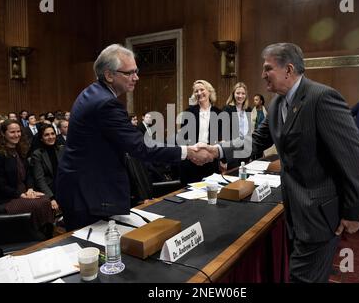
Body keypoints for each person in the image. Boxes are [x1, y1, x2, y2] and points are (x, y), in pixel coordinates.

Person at [206, 43, 359, 282]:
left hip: (320, 216)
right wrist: (217, 149)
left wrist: (355, 212)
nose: (262, 75)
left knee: (302, 279)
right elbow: (255, 141)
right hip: (294, 212)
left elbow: (354, 157)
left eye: (267, 68)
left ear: (288, 69)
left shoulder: (321, 98)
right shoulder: (275, 105)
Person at [56, 44, 211, 231]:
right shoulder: (105, 103)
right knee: (95, 251)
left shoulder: (95, 92)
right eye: (129, 73)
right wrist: (188, 152)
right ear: (109, 75)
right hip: (87, 193)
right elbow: (141, 146)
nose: (136, 77)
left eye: (136, 71)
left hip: (83, 187)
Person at [0, 119, 55, 237]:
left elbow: (28, 173)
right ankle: (34, 234)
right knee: (39, 203)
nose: (17, 135)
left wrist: (29, 189)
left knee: (45, 200)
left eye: (18, 131)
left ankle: (44, 234)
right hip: (6, 197)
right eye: (12, 132)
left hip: (24, 191)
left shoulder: (20, 150)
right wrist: (20, 194)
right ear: (3, 134)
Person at [178, 80, 222, 185]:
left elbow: (221, 138)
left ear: (209, 92)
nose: (199, 93)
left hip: (210, 160)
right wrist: (194, 154)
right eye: (196, 91)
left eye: (202, 89)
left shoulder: (219, 113)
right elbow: (183, 138)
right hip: (192, 160)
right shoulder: (188, 113)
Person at [30, 124, 63, 213]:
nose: (51, 137)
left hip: (63, 186)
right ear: (41, 138)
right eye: (46, 135)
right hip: (49, 189)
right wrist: (51, 197)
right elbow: (39, 179)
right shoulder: (37, 154)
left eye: (53, 134)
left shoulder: (61, 149)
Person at [221, 82, 252, 170]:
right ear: (233, 94)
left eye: (243, 93)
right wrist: (224, 156)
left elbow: (249, 131)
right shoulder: (227, 109)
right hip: (233, 149)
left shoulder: (248, 109)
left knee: (245, 174)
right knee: (233, 174)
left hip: (245, 147)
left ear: (246, 95)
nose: (240, 96)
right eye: (237, 93)